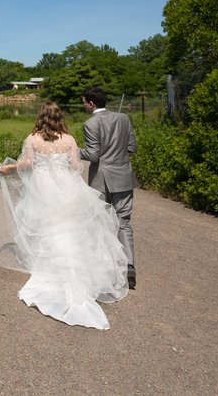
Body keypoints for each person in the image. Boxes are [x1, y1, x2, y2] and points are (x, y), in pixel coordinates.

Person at [0, 102, 128, 330]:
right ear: (59, 117)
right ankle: (72, 270)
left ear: (41, 116)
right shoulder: (69, 139)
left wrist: (9, 169)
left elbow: (27, 165)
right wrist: (63, 176)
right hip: (66, 187)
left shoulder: (33, 139)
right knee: (67, 227)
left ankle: (48, 265)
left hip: (41, 186)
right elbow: (76, 166)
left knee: (46, 226)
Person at [79, 87, 138, 289]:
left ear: (91, 104)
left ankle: (104, 267)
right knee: (124, 222)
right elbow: (132, 147)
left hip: (102, 179)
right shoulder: (124, 118)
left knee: (100, 221)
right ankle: (129, 265)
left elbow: (93, 155)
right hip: (123, 175)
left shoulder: (90, 123)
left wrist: (72, 151)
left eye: (84, 102)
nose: (83, 105)